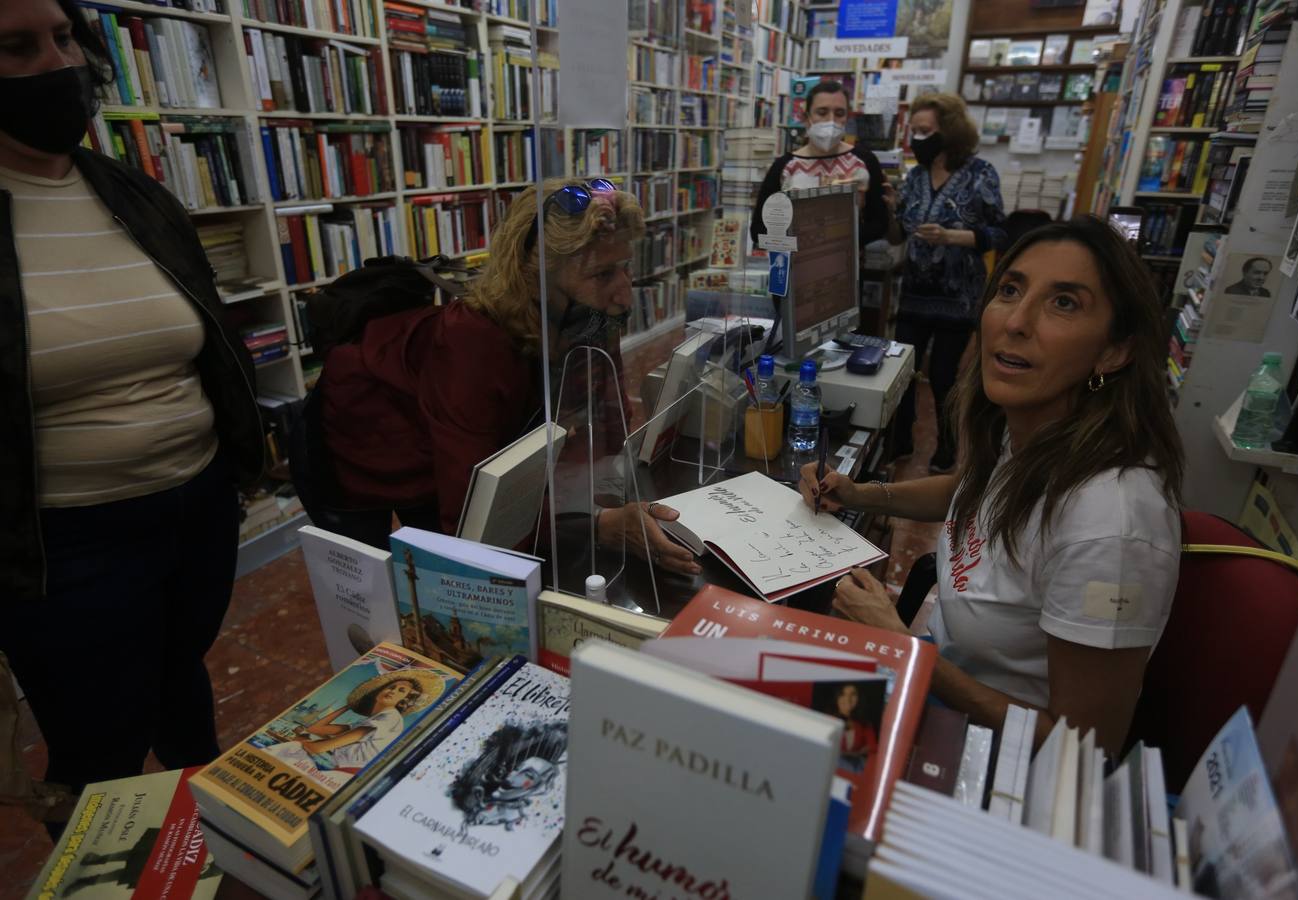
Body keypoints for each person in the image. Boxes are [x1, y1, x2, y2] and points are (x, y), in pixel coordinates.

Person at [0, 0, 264, 825]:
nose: (58, 63)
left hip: (195, 502)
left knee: (180, 675)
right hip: (65, 539)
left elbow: (205, 337)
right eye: (16, 47)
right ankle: (100, 849)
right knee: (99, 738)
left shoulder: (130, 193)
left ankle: (208, 822)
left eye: (64, 36)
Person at [799, 216, 1185, 756]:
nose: (1016, 322)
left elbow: (1081, 748)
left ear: (1114, 351)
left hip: (993, 754)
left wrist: (905, 649)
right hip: (944, 671)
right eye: (1010, 290)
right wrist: (863, 494)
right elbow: (973, 488)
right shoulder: (1040, 428)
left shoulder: (1111, 527)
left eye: (1064, 303)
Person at [313, 178, 700, 575]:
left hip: (446, 437)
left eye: (625, 268)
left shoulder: (586, 313)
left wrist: (608, 501)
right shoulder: (472, 340)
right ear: (536, 277)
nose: (624, 294)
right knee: (400, 579)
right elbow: (468, 517)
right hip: (357, 440)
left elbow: (609, 418)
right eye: (602, 275)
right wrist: (599, 525)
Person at [891, 92, 1007, 474]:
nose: (918, 138)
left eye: (926, 131)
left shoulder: (980, 174)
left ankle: (947, 447)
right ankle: (900, 440)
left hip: (958, 296)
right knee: (902, 371)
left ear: (950, 132)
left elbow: (999, 233)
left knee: (943, 376)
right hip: (914, 293)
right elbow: (899, 228)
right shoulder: (915, 176)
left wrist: (952, 237)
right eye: (915, 131)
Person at [750, 80, 890, 246]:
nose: (831, 120)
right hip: (797, 266)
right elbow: (759, 230)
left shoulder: (864, 161)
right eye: (822, 112)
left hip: (850, 265)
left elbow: (880, 224)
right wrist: (803, 242)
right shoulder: (785, 166)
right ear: (806, 118)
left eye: (839, 113)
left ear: (847, 118)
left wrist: (837, 239)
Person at [266, 670, 441, 778]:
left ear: (405, 700)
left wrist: (301, 740)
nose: (392, 691)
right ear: (378, 692)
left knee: (282, 753)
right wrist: (347, 707)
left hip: (348, 775)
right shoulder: (370, 721)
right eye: (391, 687)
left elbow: (318, 748)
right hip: (339, 770)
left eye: (401, 691)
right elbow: (316, 729)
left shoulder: (388, 718)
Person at [831, 682, 878, 773]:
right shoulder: (828, 720)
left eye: (853, 695)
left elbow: (873, 746)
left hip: (854, 765)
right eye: (843, 694)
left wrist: (858, 753)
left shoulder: (864, 724)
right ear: (837, 698)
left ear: (858, 699)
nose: (848, 699)